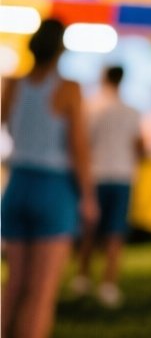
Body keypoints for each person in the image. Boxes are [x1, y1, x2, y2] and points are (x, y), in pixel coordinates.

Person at [1, 18, 97, 338]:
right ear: (61, 48)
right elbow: (79, 148)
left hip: (18, 184)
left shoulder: (15, 83)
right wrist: (88, 195)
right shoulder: (68, 87)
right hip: (53, 187)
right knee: (42, 293)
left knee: (13, 286)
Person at [72, 65, 143, 308]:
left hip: (96, 174)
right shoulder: (131, 111)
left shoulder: (92, 107)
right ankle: (109, 284)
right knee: (115, 232)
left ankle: (82, 277)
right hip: (122, 175)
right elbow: (139, 145)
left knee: (90, 228)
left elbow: (82, 141)